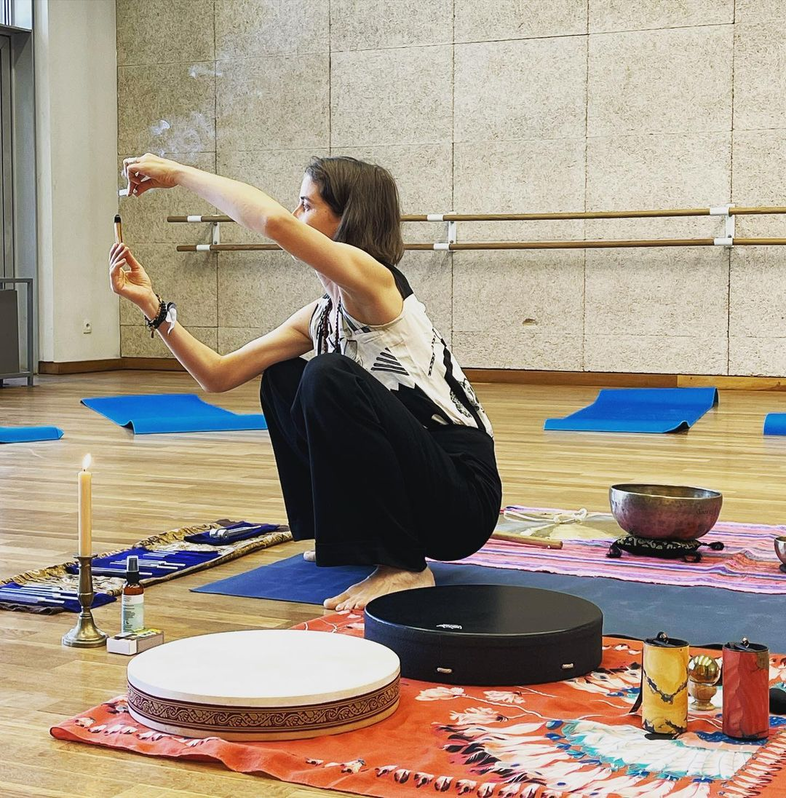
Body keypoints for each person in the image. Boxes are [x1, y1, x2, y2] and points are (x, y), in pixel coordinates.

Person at [110, 153, 502, 611]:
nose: (296, 214)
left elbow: (273, 222)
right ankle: (351, 538)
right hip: (419, 486)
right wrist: (152, 306)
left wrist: (177, 174)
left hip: (461, 500)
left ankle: (403, 566)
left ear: (346, 218)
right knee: (283, 377)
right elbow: (217, 375)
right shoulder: (320, 315)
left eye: (307, 204)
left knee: (327, 374)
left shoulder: (376, 284)